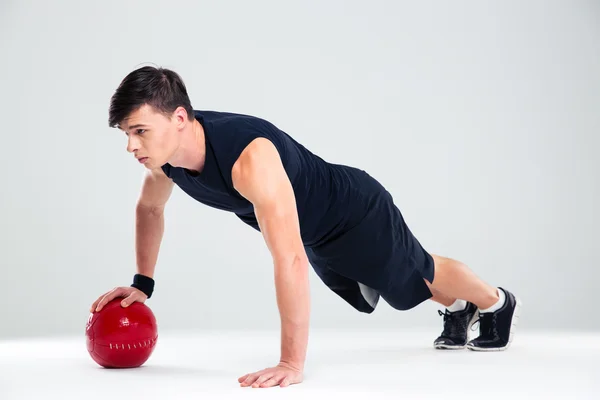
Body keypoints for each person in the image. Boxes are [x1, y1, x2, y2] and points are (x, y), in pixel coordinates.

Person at [90, 66, 522, 388]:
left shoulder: (249, 159)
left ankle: (495, 304)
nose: (132, 146)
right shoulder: (166, 162)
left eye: (140, 131)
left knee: (423, 271)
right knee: (406, 291)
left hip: (356, 213)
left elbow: (289, 258)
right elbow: (149, 211)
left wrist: (290, 364)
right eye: (127, 134)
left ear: (179, 118)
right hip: (316, 232)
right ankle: (459, 309)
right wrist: (142, 283)